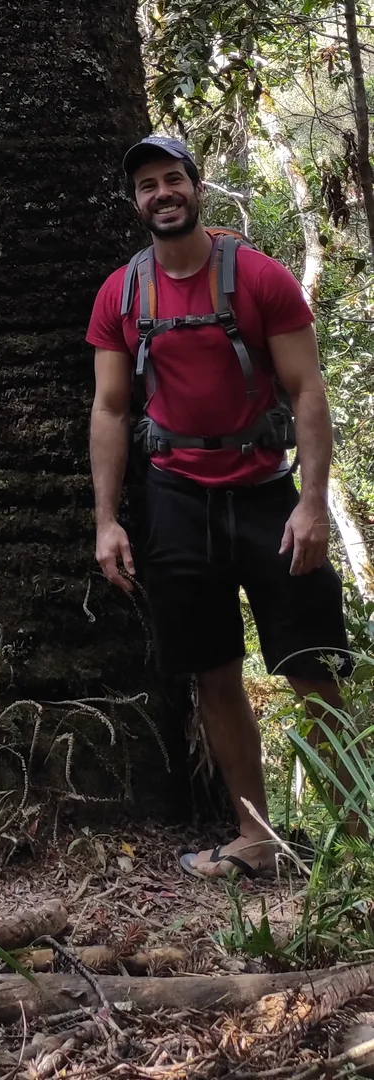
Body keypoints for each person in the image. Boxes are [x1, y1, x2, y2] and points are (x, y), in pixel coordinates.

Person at [88, 132, 351, 877]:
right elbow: (110, 410)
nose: (162, 193)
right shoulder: (123, 293)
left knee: (309, 665)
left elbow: (308, 391)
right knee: (212, 671)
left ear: (195, 188)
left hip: (267, 494)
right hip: (175, 497)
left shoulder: (259, 279)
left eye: (173, 179)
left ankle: (358, 841)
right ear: (135, 203)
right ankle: (257, 838)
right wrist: (107, 520)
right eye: (147, 186)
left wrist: (312, 504)